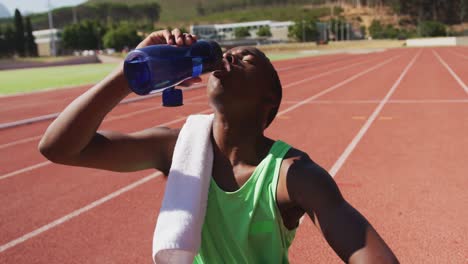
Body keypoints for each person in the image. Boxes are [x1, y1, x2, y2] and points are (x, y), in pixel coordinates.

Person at [39, 29, 399, 263]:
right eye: (226, 55)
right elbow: (59, 148)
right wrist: (130, 70)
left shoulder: (293, 175)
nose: (227, 58)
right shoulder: (177, 147)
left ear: (269, 100)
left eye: (246, 58)